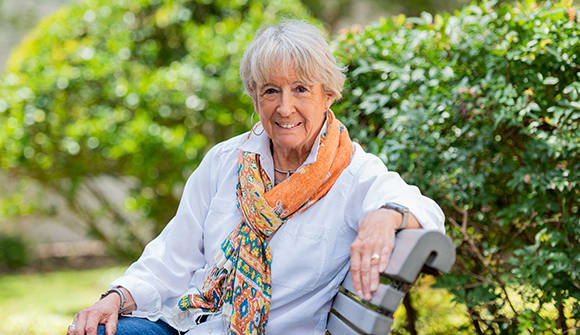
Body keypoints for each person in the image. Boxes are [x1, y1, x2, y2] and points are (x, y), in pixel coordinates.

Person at [67, 20, 444, 335]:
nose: (284, 107)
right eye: (270, 91)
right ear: (254, 96)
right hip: (187, 322)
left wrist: (385, 215)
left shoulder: (353, 172)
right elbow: (173, 255)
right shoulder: (226, 160)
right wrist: (116, 297)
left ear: (328, 94)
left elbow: (426, 210)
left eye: (300, 89)